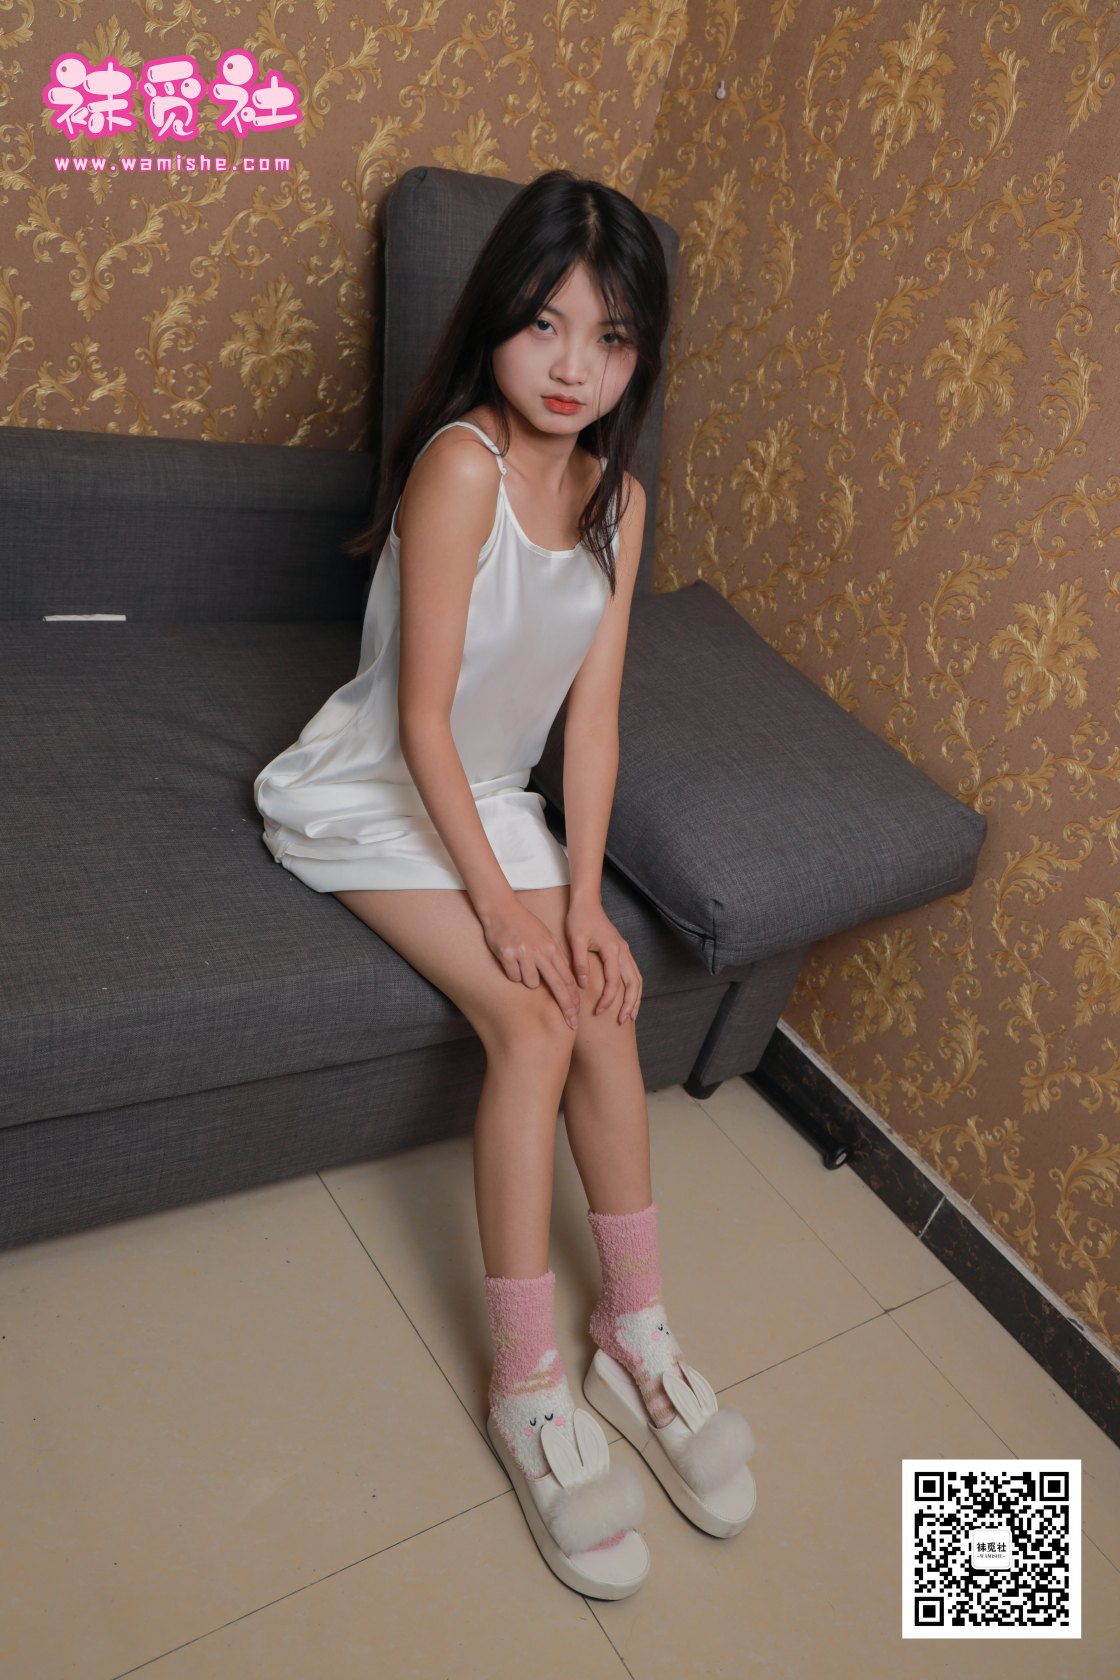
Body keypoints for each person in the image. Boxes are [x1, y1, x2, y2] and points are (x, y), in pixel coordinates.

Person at [253, 168, 754, 1598]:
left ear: (641, 356)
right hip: (378, 794)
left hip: (495, 804)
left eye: (610, 337)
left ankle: (633, 1335)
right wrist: (497, 913)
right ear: (495, 322)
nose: (572, 366)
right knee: (530, 1022)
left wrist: (581, 904)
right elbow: (418, 724)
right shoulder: (460, 464)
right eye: (545, 324)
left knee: (605, 1000)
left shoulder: (620, 500)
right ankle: (527, 1384)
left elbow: (589, 729)